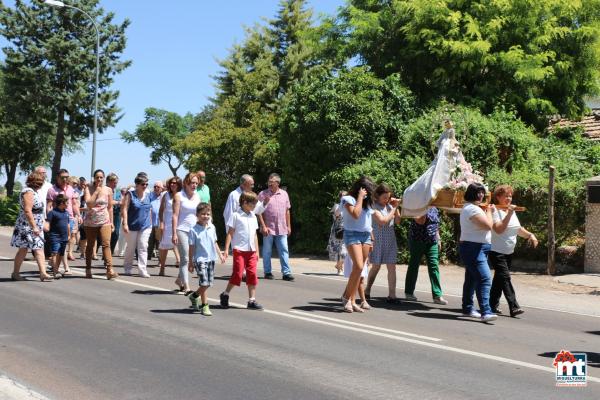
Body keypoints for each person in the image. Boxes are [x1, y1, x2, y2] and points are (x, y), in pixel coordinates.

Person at [489, 185, 538, 317]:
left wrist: (530, 235)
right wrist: (510, 213)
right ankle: (514, 306)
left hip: (508, 251)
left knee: (499, 280)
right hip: (496, 251)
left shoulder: (511, 210)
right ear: (498, 197)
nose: (509, 198)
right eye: (506, 196)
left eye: (510, 196)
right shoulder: (494, 210)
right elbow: (499, 229)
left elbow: (517, 229)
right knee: (505, 277)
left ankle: (491, 305)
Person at [402, 120, 461, 217]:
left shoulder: (449, 133)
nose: (448, 125)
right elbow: (445, 141)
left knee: (449, 169)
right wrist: (450, 145)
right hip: (445, 154)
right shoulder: (446, 135)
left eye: (449, 124)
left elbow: (447, 141)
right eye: (447, 124)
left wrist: (453, 146)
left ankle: (448, 183)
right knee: (441, 169)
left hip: (448, 154)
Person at [459, 183, 497, 322]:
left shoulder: (472, 208)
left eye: (482, 192)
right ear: (471, 194)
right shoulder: (472, 209)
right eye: (478, 192)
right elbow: (488, 226)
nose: (481, 195)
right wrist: (489, 212)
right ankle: (486, 312)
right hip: (474, 248)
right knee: (485, 278)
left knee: (472, 279)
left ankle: (467, 308)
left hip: (478, 247)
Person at [220, 191, 264, 310]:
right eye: (253, 204)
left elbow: (254, 234)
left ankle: (252, 300)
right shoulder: (236, 215)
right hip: (239, 249)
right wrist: (226, 250)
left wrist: (257, 251)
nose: (254, 206)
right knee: (238, 274)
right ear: (244, 202)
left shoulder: (253, 216)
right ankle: (225, 294)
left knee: (252, 274)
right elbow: (230, 233)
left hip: (251, 250)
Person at [340, 176, 376, 313]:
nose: (368, 194)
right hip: (352, 234)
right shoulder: (348, 200)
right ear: (360, 189)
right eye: (366, 191)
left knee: (359, 270)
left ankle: (352, 300)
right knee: (358, 266)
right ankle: (346, 298)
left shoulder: (367, 203)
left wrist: (372, 239)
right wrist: (360, 197)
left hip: (365, 236)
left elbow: (368, 223)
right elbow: (355, 214)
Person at [10, 171, 52, 281]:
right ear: (34, 182)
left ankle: (43, 273)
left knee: (38, 248)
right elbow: (28, 211)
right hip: (27, 226)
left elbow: (38, 211)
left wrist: (42, 223)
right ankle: (15, 273)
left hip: (36, 225)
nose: (42, 183)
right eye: (40, 181)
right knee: (23, 250)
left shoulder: (34, 191)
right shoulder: (28, 192)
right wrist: (34, 227)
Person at [364, 184, 401, 302]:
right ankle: (367, 290)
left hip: (390, 240)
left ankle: (392, 295)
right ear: (377, 196)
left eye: (388, 197)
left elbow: (398, 221)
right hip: (378, 240)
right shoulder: (373, 207)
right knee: (376, 266)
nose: (387, 200)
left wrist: (396, 207)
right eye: (384, 197)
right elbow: (382, 221)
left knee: (392, 267)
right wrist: (394, 208)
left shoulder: (390, 206)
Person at [404, 207, 448, 305]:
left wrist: (438, 238)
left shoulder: (434, 208)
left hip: (432, 241)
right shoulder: (417, 206)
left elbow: (436, 225)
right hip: (417, 240)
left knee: (434, 266)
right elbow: (421, 221)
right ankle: (409, 292)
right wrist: (424, 208)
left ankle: (437, 295)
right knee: (414, 266)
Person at [187, 203, 225, 316]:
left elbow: (214, 242)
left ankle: (194, 296)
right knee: (204, 283)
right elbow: (191, 247)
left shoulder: (211, 227)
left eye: (208, 214)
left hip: (211, 258)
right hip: (200, 259)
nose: (206, 216)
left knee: (208, 283)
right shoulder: (193, 230)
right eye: (203, 214)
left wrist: (220, 255)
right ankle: (205, 306)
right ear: (197, 215)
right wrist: (190, 261)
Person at [257, 173, 294, 281]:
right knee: (267, 251)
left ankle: (286, 273)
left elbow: (287, 211)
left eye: (271, 182)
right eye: (268, 182)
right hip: (268, 228)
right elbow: (258, 212)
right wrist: (263, 226)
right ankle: (267, 272)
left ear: (277, 183)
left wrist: (289, 226)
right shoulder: (263, 194)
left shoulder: (284, 194)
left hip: (282, 227)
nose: (269, 184)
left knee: (284, 250)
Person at [82, 169, 117, 280]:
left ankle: (109, 269)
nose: (99, 179)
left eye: (101, 177)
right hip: (91, 221)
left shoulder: (108, 190)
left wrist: (111, 222)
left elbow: (110, 207)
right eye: (97, 177)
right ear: (94, 178)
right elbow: (89, 204)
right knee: (91, 245)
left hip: (104, 220)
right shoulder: (88, 188)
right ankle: (88, 269)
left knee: (106, 244)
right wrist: (96, 192)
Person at [46, 168, 81, 274]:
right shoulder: (52, 190)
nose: (65, 179)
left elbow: (74, 204)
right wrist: (49, 220)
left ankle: (61, 266)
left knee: (64, 243)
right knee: (59, 244)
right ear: (57, 178)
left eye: (67, 177)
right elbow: (49, 206)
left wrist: (78, 215)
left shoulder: (71, 189)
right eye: (63, 177)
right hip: (57, 219)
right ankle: (63, 266)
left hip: (69, 218)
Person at [172, 172, 201, 293]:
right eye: (192, 183)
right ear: (186, 183)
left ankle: (179, 279)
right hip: (182, 230)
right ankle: (187, 287)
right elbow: (175, 215)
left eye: (196, 183)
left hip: (194, 230)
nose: (194, 185)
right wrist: (174, 233)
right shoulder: (179, 195)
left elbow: (199, 214)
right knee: (184, 258)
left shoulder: (197, 196)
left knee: (193, 258)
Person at [122, 173, 153, 278]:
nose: (145, 186)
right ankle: (128, 267)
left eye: (146, 184)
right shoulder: (130, 194)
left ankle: (142, 270)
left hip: (145, 225)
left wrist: (151, 223)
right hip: (132, 225)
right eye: (143, 184)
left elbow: (149, 210)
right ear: (137, 185)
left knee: (143, 246)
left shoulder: (148, 195)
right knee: (131, 247)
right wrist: (125, 223)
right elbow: (125, 209)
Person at [158, 176, 182, 276]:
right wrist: (162, 223)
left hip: (180, 222)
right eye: (171, 183)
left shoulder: (182, 195)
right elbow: (161, 211)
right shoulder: (165, 195)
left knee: (180, 246)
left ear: (179, 185)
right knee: (164, 246)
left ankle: (181, 271)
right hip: (168, 223)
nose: (172, 184)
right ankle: (162, 267)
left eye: (175, 183)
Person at [44, 194, 70, 279]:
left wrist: (69, 235)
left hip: (64, 237)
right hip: (55, 236)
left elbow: (68, 225)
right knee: (55, 253)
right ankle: (55, 271)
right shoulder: (52, 213)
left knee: (60, 254)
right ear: (62, 203)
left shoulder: (66, 213)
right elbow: (47, 222)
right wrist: (46, 227)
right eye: (67, 202)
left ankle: (56, 269)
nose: (68, 204)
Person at [327, 191, 347, 275]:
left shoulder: (350, 207)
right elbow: (337, 214)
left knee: (345, 252)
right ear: (340, 198)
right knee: (340, 252)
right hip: (338, 231)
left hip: (347, 231)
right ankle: (340, 269)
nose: (344, 198)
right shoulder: (337, 206)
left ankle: (338, 265)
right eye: (343, 197)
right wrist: (342, 204)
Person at [148, 180, 164, 261]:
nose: (156, 188)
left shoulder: (163, 197)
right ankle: (147, 258)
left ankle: (160, 260)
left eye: (158, 187)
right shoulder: (150, 196)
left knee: (159, 242)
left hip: (159, 223)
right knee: (149, 242)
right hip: (150, 223)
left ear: (162, 188)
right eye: (155, 187)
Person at [66, 176, 81, 262]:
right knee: (66, 235)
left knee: (73, 234)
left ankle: (70, 252)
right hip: (66, 215)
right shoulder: (67, 191)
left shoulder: (76, 192)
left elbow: (76, 205)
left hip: (74, 216)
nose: (75, 185)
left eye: (76, 183)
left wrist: (78, 215)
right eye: (74, 183)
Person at [106, 173, 121, 254]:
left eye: (116, 183)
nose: (115, 184)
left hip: (116, 213)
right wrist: (117, 202)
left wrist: (117, 202)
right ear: (108, 182)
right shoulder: (104, 189)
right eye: (114, 182)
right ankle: (104, 252)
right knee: (106, 234)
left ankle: (110, 252)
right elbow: (109, 202)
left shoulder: (118, 191)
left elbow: (120, 201)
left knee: (116, 233)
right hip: (106, 213)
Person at [114, 187, 129, 257]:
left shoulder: (129, 198)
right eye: (122, 191)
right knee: (120, 235)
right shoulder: (118, 196)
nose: (123, 192)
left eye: (125, 192)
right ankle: (120, 251)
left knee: (126, 236)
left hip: (127, 218)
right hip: (120, 217)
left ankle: (123, 251)